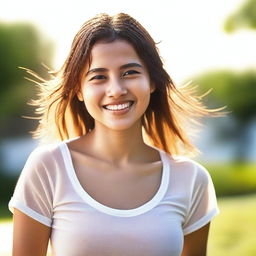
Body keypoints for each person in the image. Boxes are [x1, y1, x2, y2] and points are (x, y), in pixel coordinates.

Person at [9, 13, 221, 256]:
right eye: (99, 77)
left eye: (130, 73)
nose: (116, 90)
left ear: (152, 81)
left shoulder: (192, 179)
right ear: (79, 90)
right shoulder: (49, 167)